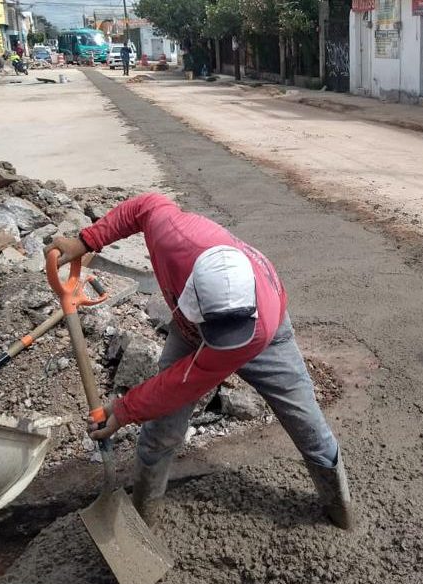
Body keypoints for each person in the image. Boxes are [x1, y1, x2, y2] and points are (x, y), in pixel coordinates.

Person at [45, 193, 354, 530]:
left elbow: (184, 381)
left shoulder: (255, 328)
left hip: (265, 335)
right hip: (192, 329)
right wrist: (86, 241)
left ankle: (340, 514)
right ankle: (144, 522)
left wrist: (124, 408)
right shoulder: (174, 236)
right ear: (192, 297)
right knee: (161, 432)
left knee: (306, 425)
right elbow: (143, 206)